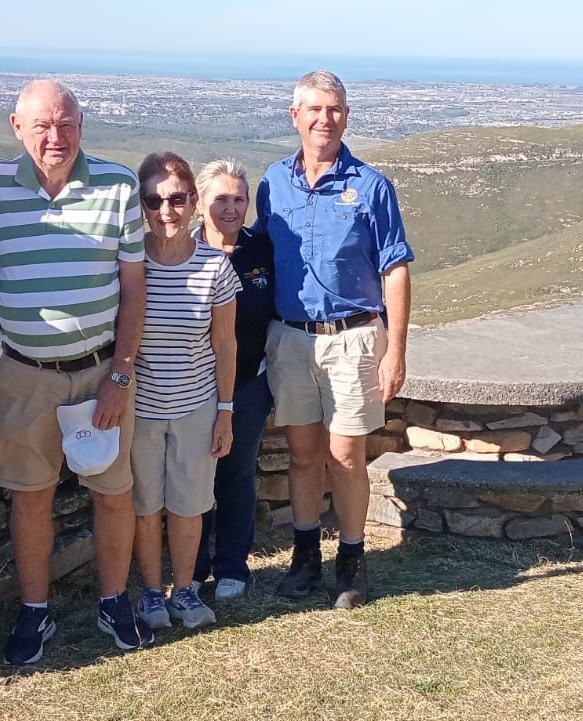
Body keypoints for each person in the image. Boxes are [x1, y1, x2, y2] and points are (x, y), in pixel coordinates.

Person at [0, 79, 152, 657]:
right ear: (16, 126)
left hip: (102, 370)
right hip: (25, 375)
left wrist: (121, 375)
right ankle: (34, 613)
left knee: (113, 491)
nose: (56, 136)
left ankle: (113, 602)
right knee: (30, 496)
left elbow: (133, 288)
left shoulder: (118, 185)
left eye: (67, 123)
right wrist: (23, 283)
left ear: (82, 124)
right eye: (43, 124)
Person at [256, 70, 414, 610]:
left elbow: (396, 269)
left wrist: (396, 349)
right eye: (316, 110)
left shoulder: (371, 186)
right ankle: (305, 557)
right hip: (291, 339)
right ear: (295, 115)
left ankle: (351, 560)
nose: (326, 119)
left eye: (336, 110)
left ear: (346, 115)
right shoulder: (272, 183)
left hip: (354, 338)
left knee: (346, 455)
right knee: (303, 455)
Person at [128, 152, 240, 630]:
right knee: (146, 506)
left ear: (193, 202)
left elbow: (226, 347)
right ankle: (152, 594)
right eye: (153, 199)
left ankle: (185, 590)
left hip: (196, 406)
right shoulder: (129, 263)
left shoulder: (216, 267)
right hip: (140, 410)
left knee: (190, 504)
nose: (165, 210)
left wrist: (225, 412)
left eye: (176, 198)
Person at [191, 159, 274, 601]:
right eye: (220, 198)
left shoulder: (263, 251)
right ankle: (192, 567)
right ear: (200, 203)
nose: (231, 207)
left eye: (239, 199)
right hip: (192, 385)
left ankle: (231, 568)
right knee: (195, 477)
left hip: (249, 384)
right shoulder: (182, 252)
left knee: (237, 475)